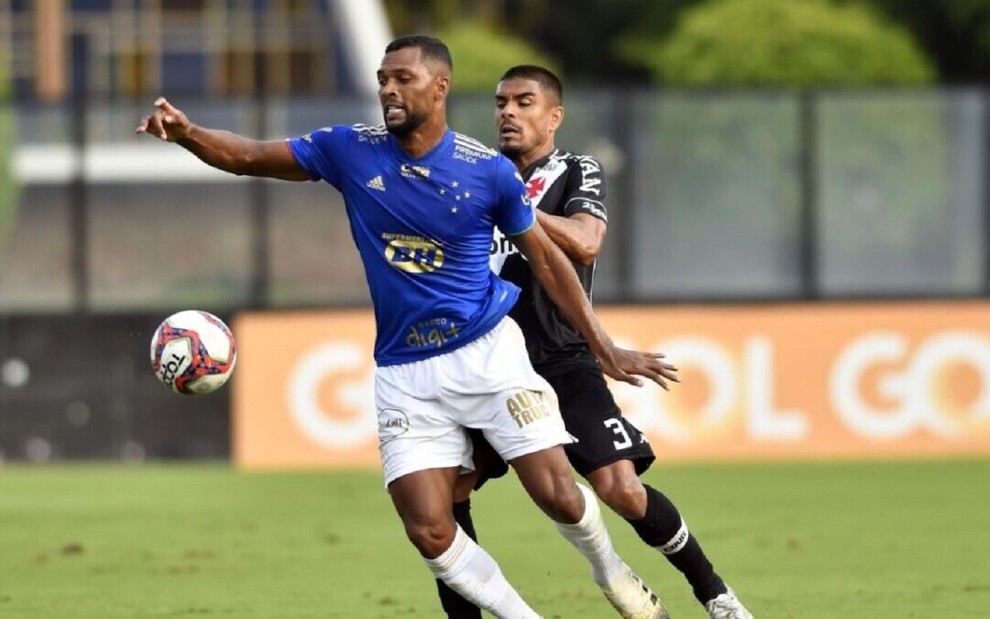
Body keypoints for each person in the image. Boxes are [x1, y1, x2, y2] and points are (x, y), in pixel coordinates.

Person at [137, 36, 674, 619]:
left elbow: (547, 260)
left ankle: (611, 570)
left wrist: (603, 346)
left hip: (487, 353)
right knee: (430, 531)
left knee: (560, 497)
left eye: (402, 79)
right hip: (404, 371)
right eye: (382, 80)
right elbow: (248, 156)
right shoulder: (349, 149)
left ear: (439, 87)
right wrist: (189, 133)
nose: (388, 90)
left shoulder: (486, 171)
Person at [433, 65, 755, 619]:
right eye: (501, 102)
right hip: (482, 360)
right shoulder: (474, 174)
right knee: (446, 495)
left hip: (561, 358)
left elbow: (585, 241)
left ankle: (716, 596)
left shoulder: (574, 169)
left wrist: (513, 207)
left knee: (620, 489)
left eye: (524, 102)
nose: (508, 112)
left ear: (554, 116)